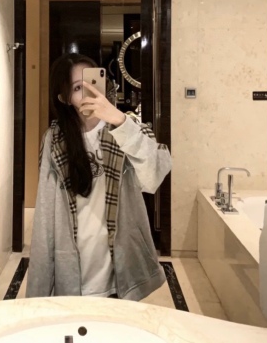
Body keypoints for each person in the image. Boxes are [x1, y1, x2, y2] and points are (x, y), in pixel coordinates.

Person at [26, 52, 171, 301]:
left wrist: (119, 121)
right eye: (77, 88)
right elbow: (45, 214)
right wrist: (37, 294)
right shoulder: (55, 140)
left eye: (92, 82)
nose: (89, 92)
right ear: (65, 98)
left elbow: (153, 177)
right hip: (73, 268)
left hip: (120, 269)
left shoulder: (128, 128)